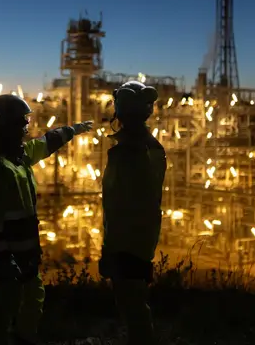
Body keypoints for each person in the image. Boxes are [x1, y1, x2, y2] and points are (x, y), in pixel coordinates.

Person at [0, 94, 93, 345]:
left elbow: (46, 143)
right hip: (9, 249)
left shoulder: (20, 156)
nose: (26, 127)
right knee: (7, 296)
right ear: (6, 125)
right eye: (22, 122)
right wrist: (2, 258)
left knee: (33, 293)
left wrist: (72, 130)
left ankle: (24, 337)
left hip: (26, 245)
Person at [100, 81, 166, 345]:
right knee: (135, 299)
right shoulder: (153, 147)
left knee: (130, 301)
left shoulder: (127, 152)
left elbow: (118, 202)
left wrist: (109, 246)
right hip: (144, 235)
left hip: (125, 238)